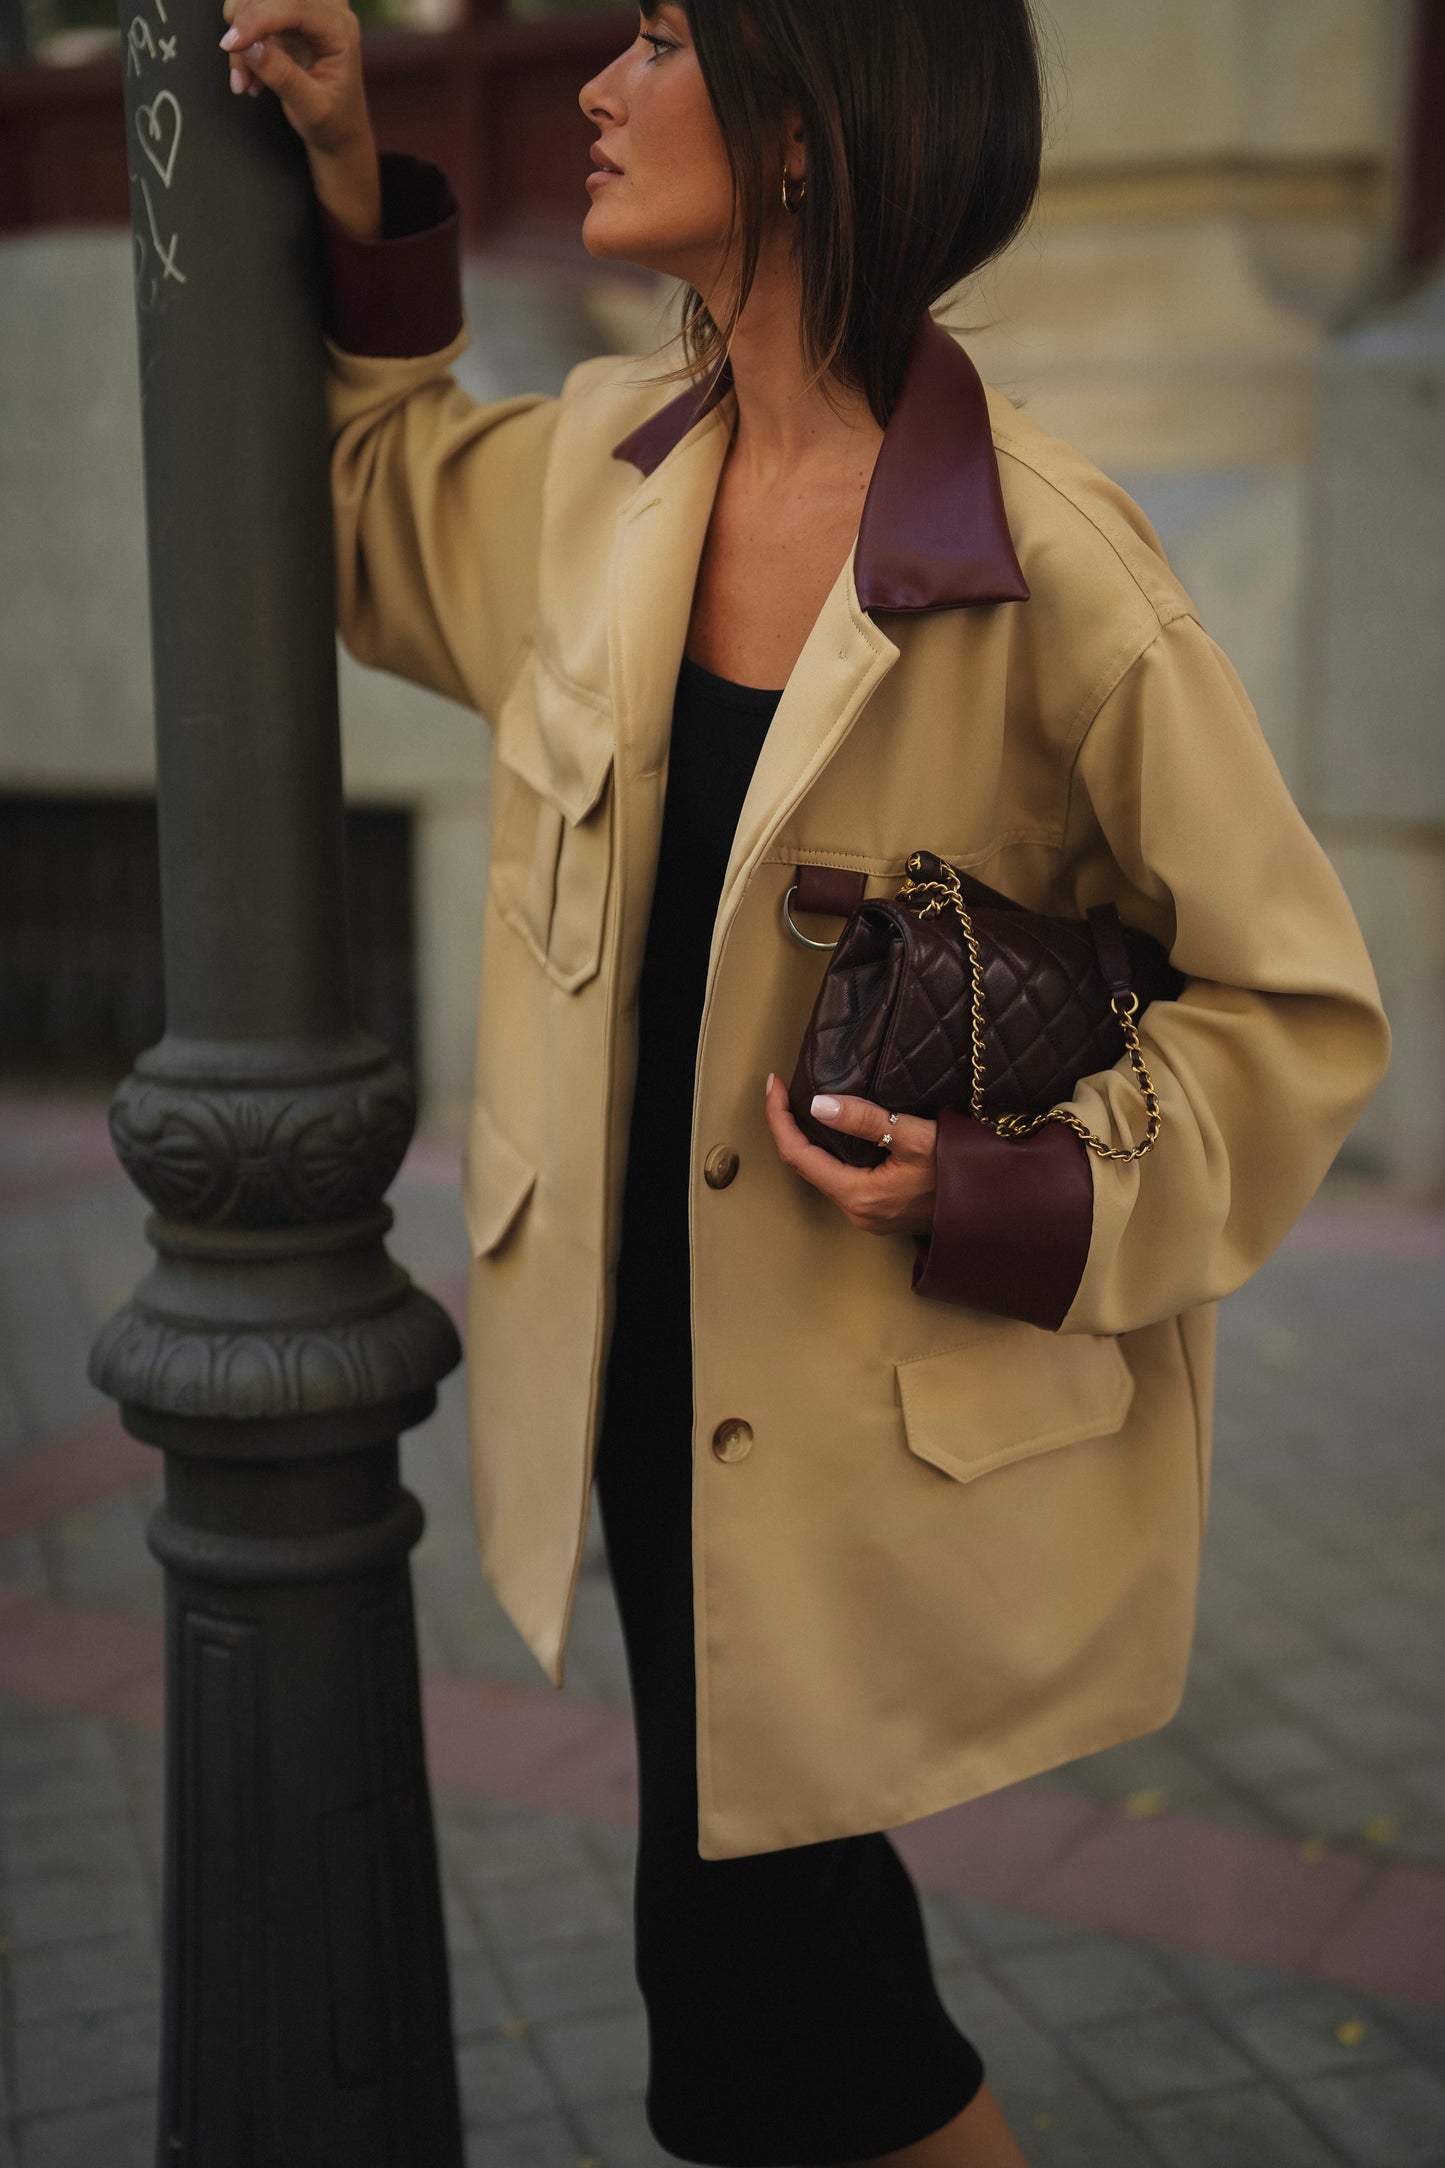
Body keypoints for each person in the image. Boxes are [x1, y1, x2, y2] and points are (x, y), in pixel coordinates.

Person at [217, 2, 1392, 2160]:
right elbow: (374, 510)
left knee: (789, 1995)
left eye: (659, 40)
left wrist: (1016, 1186)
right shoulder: (596, 468)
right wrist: (353, 159)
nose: (593, 85)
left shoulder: (1055, 563)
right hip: (646, 1390)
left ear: (796, 132)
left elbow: (1297, 1009)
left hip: (862, 1437)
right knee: (762, 1995)